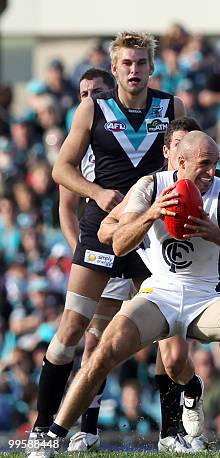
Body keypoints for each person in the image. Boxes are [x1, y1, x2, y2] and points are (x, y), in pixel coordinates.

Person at [40, 131, 220, 457]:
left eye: (215, 164)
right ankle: (52, 438)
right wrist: (152, 213)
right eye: (204, 164)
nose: (211, 172)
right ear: (179, 161)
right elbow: (118, 243)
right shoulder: (150, 186)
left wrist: (217, 234)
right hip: (160, 292)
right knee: (104, 352)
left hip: (207, 296)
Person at [29, 31, 185, 456]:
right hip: (101, 228)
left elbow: (188, 166)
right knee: (72, 329)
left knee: (168, 334)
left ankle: (172, 431)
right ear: (114, 68)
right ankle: (44, 430)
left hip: (151, 232)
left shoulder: (172, 107)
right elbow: (61, 168)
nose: (134, 71)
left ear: (152, 68)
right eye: (126, 64)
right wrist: (96, 193)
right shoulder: (92, 107)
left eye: (141, 63)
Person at [56, 67, 143, 452]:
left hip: (136, 247)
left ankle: (177, 423)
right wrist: (86, 256)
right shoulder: (79, 147)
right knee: (92, 344)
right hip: (99, 252)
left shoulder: (130, 140)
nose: (88, 98)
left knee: (165, 341)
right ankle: (86, 428)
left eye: (95, 92)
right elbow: (66, 208)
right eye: (82, 93)